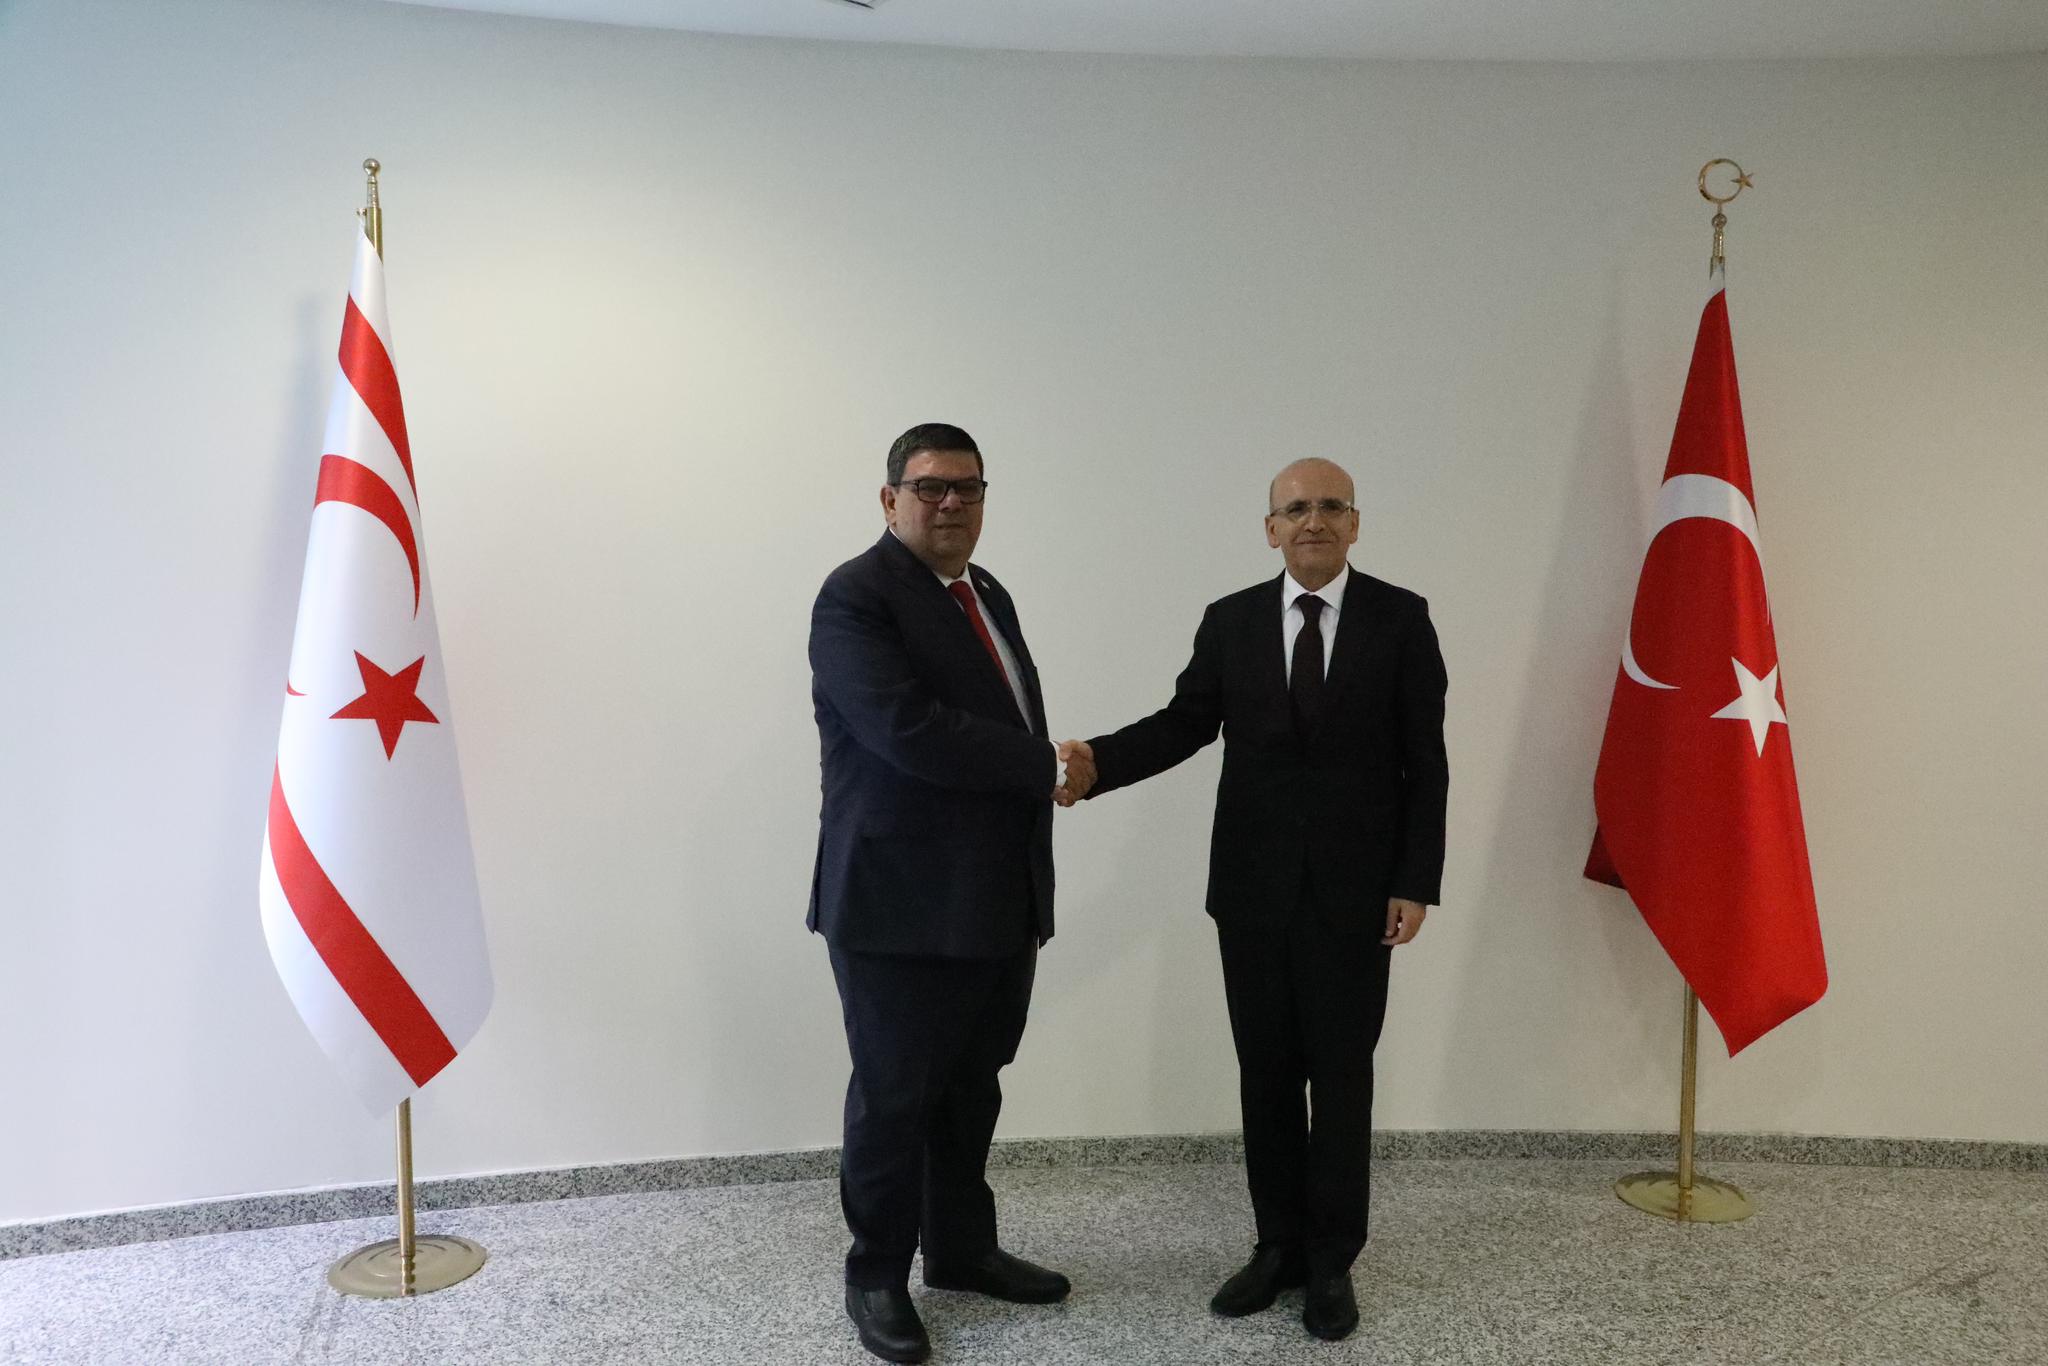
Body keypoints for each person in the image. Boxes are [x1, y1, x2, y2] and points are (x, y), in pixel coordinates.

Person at [1059, 457, 1447, 1343]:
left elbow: (1424, 760)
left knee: (1341, 1077)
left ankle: (1330, 1262)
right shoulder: (1230, 621)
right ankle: (1276, 1248)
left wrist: (1414, 880)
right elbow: (1185, 722)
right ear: (1270, 529)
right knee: (1266, 1074)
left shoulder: (1400, 618)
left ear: (1356, 524)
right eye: (1295, 508)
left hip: (1358, 897)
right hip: (1252, 893)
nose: (1314, 520)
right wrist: (1098, 765)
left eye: (1331, 506)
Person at [809, 423, 1091, 1364]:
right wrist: (1046, 765)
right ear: (890, 499)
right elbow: (907, 730)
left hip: (996, 894)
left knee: (973, 1085)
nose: (950, 503)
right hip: (897, 903)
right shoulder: (855, 596)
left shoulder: (986, 591)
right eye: (930, 487)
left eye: (967, 487)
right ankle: (876, 1276)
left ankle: (962, 1251)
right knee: (894, 1098)